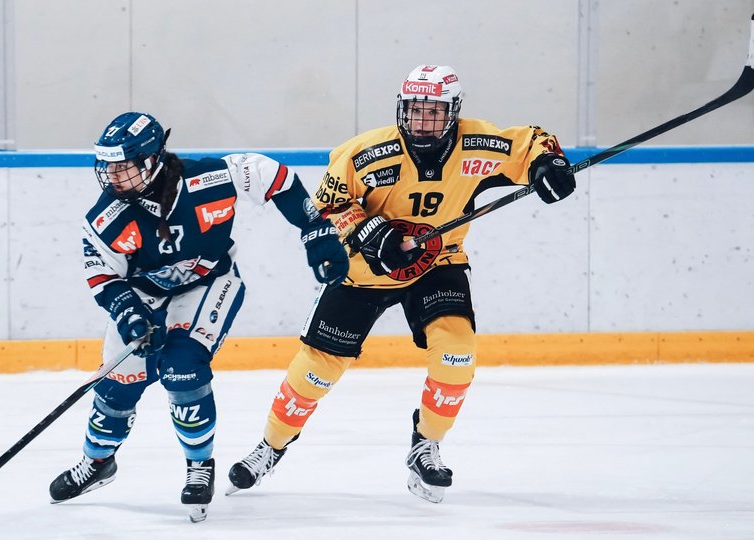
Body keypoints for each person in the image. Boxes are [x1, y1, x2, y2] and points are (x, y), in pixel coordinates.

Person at [227, 64, 576, 503]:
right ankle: (271, 446)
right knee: (316, 370)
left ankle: (425, 445)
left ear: (453, 112)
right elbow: (326, 208)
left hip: (438, 262)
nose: (421, 121)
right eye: (414, 110)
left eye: (433, 112)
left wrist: (550, 164)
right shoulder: (364, 153)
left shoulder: (478, 144)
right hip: (362, 272)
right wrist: (374, 233)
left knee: (457, 352)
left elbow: (532, 140)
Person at [49, 112, 348, 522]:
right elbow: (101, 273)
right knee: (117, 390)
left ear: (151, 161)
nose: (113, 175)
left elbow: (272, 175)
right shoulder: (106, 217)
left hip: (209, 284)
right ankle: (98, 463)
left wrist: (314, 228)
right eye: (108, 166)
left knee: (182, 366)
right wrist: (128, 313)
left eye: (123, 165)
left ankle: (198, 466)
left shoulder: (211, 178)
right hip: (144, 295)